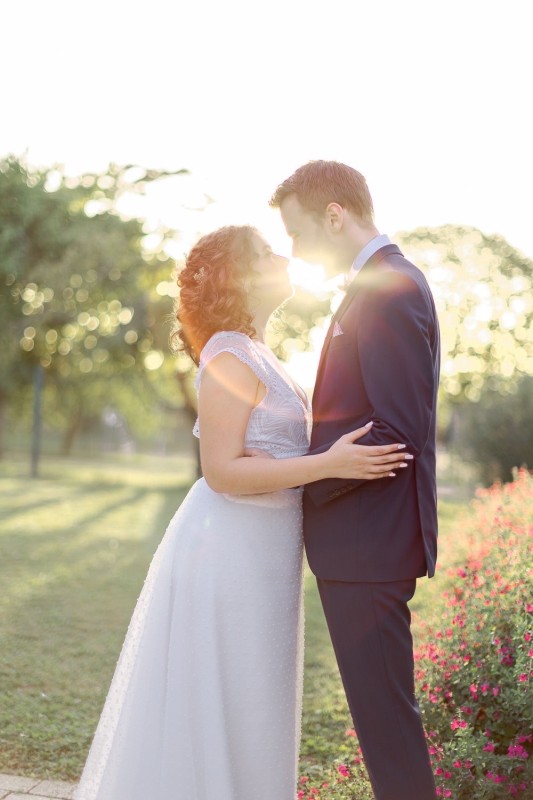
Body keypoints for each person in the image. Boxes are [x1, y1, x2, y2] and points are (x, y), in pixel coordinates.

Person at [74, 225, 412, 800]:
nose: (284, 255)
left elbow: (265, 457)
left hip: (267, 551)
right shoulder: (229, 354)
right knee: (224, 695)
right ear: (238, 276)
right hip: (229, 552)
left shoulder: (258, 352)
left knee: (256, 696)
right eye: (265, 252)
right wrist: (327, 464)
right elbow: (223, 472)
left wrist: (310, 460)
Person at [271, 161, 440, 800]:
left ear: (334, 215)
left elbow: (398, 427)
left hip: (368, 546)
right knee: (384, 728)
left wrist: (304, 482)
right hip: (365, 544)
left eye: (297, 232)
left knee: (389, 733)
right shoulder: (378, 283)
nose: (294, 251)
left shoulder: (388, 286)